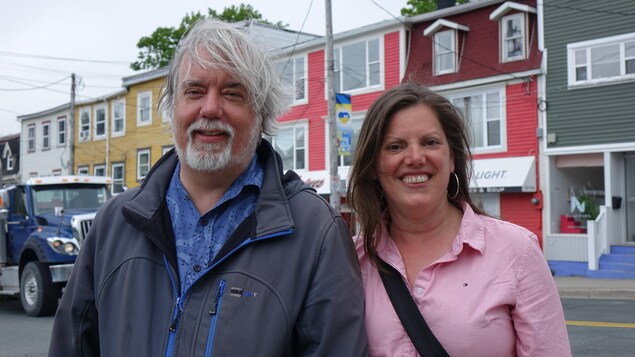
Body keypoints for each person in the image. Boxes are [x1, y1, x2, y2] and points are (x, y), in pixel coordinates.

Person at [49, 19, 367, 357]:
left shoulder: (315, 233)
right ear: (173, 108)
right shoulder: (113, 223)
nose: (211, 108)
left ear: (261, 113)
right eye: (194, 91)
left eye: (232, 93)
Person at [347, 82, 571, 356]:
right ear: (372, 166)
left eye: (430, 142)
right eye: (395, 146)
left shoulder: (516, 250)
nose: (415, 157)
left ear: (453, 158)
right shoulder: (351, 260)